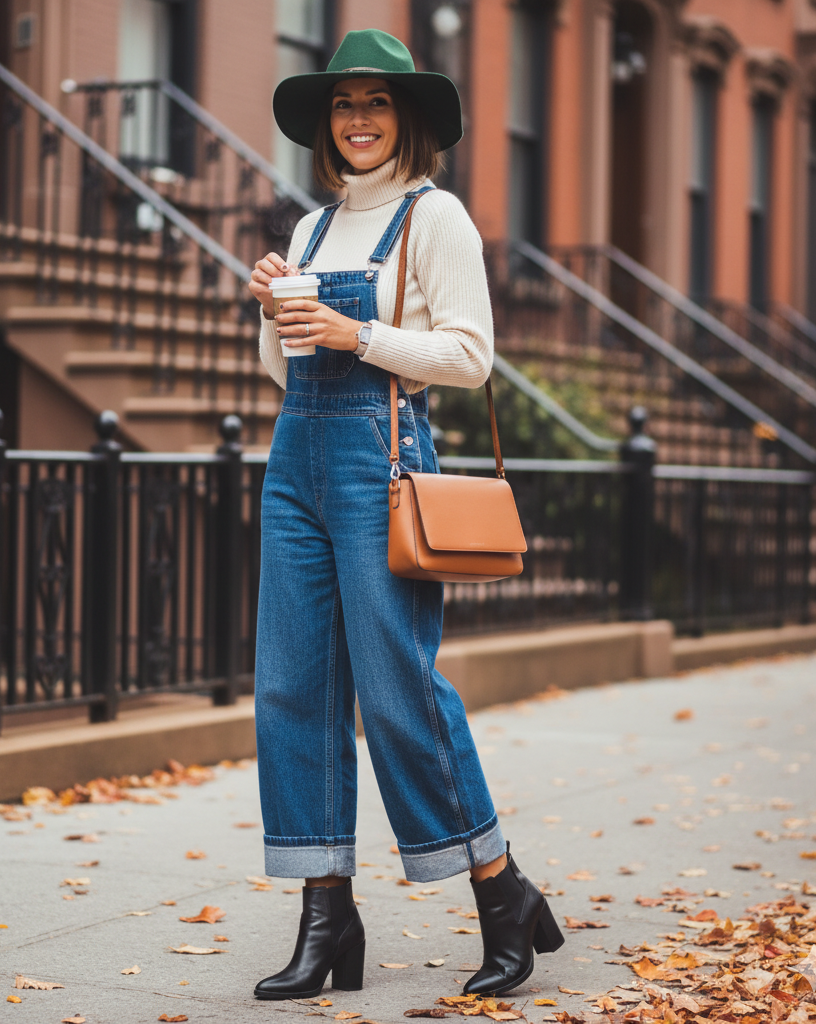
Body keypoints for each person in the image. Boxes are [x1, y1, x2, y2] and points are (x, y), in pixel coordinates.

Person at [247, 28, 563, 1001]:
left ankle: (499, 889)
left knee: (397, 692)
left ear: (408, 120)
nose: (357, 120)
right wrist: (274, 315)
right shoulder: (307, 231)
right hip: (295, 456)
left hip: (379, 460)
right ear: (325, 124)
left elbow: (469, 357)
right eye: (343, 105)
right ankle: (325, 911)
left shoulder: (436, 218)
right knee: (290, 688)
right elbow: (283, 372)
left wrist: (358, 332)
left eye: (375, 104)